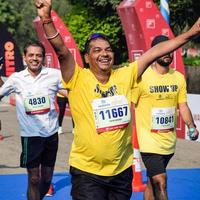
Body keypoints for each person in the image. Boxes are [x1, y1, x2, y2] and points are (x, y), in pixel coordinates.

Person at [35, 0, 200, 199]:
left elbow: (156, 52)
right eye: (97, 50)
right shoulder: (77, 77)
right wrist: (46, 19)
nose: (104, 53)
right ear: (87, 58)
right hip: (87, 173)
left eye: (108, 49)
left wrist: (191, 33)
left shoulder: (125, 75)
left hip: (121, 172)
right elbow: (61, 50)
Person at [132, 35, 199, 200]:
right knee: (160, 181)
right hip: (148, 141)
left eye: (170, 49)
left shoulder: (178, 77)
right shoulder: (141, 78)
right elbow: (129, 105)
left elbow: (182, 105)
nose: (168, 53)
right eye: (163, 49)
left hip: (168, 142)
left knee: (152, 181)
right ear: (154, 53)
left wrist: (191, 127)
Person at [0, 41, 66, 200]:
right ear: (24, 57)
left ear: (43, 58)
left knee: (47, 178)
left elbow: (69, 92)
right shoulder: (16, 78)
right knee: (34, 178)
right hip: (30, 136)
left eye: (38, 55)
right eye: (31, 55)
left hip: (51, 134)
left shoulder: (54, 74)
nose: (35, 58)